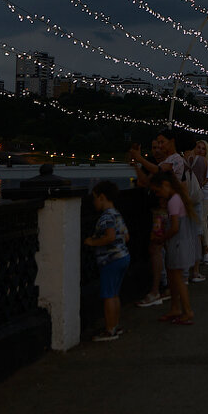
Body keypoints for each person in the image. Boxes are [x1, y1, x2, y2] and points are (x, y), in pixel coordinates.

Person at [148, 170, 200, 324]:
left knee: (178, 280)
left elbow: (175, 227)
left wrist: (161, 239)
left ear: (165, 185)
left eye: (158, 191)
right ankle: (175, 308)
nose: (158, 195)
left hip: (177, 244)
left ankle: (187, 311)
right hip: (179, 243)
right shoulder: (177, 198)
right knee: (173, 278)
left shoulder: (173, 201)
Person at [84, 181, 130, 342]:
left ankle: (110, 330)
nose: (94, 202)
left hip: (111, 259)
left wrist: (92, 242)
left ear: (102, 197)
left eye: (95, 198)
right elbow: (126, 236)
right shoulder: (117, 214)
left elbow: (109, 237)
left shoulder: (106, 217)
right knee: (115, 293)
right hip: (123, 256)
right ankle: (115, 325)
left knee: (108, 295)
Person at [129, 135, 167, 307]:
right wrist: (137, 164)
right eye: (154, 147)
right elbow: (144, 182)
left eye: (160, 146)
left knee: (157, 247)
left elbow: (155, 174)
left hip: (162, 213)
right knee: (158, 248)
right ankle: (164, 285)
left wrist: (138, 159)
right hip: (154, 211)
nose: (157, 150)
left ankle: (157, 290)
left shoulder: (170, 163)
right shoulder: (152, 163)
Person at [176, 131, 208, 284]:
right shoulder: (202, 161)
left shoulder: (178, 161)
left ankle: (184, 272)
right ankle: (195, 272)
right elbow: (201, 181)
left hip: (183, 200)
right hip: (197, 200)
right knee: (197, 234)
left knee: (184, 235)